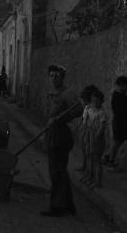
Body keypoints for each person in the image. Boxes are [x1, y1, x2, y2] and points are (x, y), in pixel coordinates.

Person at [41, 64, 81, 217]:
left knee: (57, 172)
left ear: (62, 77)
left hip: (61, 135)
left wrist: (60, 119)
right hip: (51, 134)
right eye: (51, 76)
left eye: (57, 76)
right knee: (58, 171)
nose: (53, 78)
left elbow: (78, 110)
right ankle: (69, 204)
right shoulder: (52, 93)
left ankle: (58, 207)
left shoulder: (67, 93)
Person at [106, 76, 127, 167]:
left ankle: (108, 157)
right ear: (121, 85)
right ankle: (111, 161)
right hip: (120, 122)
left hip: (119, 121)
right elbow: (124, 108)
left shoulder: (118, 95)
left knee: (117, 141)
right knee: (117, 141)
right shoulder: (118, 96)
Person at [84, 88, 107, 189]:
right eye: (93, 100)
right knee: (89, 156)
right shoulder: (89, 109)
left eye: (97, 101)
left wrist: (97, 136)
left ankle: (98, 181)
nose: (95, 102)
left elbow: (102, 126)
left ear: (101, 101)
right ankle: (90, 177)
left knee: (96, 159)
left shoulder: (101, 113)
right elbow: (85, 121)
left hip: (96, 136)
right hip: (89, 133)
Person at [77, 85, 97, 173]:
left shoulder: (91, 109)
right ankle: (85, 167)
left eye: (81, 100)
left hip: (89, 133)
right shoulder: (86, 108)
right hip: (85, 131)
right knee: (84, 150)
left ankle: (89, 171)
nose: (80, 101)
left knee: (88, 152)